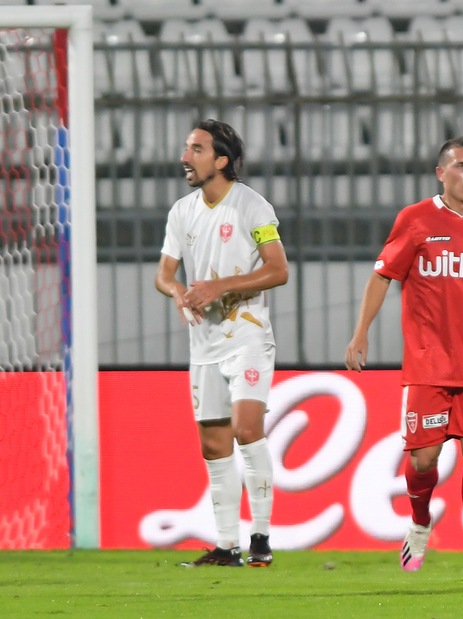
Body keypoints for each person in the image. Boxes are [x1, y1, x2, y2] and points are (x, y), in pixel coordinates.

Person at [345, 136, 463, 573]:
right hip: (427, 365)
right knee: (423, 459)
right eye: (461, 166)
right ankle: (419, 521)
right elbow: (383, 276)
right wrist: (361, 333)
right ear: (440, 174)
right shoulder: (415, 220)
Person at [155, 119, 288, 567]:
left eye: (195, 149)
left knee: (246, 430)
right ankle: (227, 545)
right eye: (186, 148)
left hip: (247, 335)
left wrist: (221, 287)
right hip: (204, 343)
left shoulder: (253, 206)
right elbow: (165, 275)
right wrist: (179, 293)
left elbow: (278, 270)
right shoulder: (182, 211)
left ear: (221, 160)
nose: (184, 157)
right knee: (213, 446)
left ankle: (262, 539)